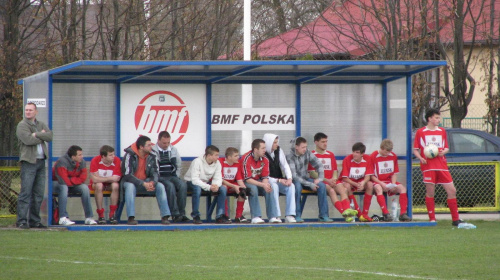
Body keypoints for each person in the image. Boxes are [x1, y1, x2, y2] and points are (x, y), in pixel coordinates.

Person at [413, 108, 464, 226]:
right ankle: (432, 219)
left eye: (439, 117)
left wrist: (443, 152)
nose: (438, 120)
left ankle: (455, 219)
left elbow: (446, 147)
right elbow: (415, 150)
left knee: (452, 191)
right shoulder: (421, 132)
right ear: (429, 119)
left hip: (442, 165)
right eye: (436, 118)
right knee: (430, 192)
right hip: (428, 166)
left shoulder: (442, 131)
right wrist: (421, 158)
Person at [16, 102, 53, 229]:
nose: (28, 112)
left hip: (41, 162)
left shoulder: (40, 124)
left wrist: (36, 134)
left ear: (36, 112)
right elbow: (27, 140)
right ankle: (21, 221)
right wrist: (41, 136)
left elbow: (50, 136)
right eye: (26, 110)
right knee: (26, 192)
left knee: (38, 193)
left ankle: (34, 221)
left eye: (31, 110)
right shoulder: (22, 125)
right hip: (29, 162)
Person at [121, 136, 171, 225]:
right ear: (141, 147)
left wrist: (152, 182)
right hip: (131, 182)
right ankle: (131, 217)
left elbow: (156, 172)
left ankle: (165, 216)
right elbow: (127, 175)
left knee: (160, 186)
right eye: (148, 145)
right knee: (130, 187)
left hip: (146, 182)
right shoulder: (129, 154)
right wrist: (142, 183)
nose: (151, 147)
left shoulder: (153, 154)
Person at [310, 133, 357, 222]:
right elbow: (312, 173)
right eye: (322, 142)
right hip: (321, 181)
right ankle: (345, 215)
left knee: (343, 190)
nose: (325, 144)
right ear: (316, 142)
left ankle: (348, 211)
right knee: (331, 191)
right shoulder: (312, 154)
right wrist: (327, 180)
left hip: (331, 180)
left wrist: (334, 179)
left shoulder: (330, 154)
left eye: (326, 141)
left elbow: (335, 170)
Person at [287, 136, 332, 223]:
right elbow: (294, 176)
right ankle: (297, 215)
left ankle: (323, 216)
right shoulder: (290, 157)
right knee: (297, 187)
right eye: (303, 147)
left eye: (306, 147)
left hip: (305, 178)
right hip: (294, 180)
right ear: (296, 147)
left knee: (322, 186)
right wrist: (310, 184)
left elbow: (319, 164)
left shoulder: (307, 153)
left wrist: (320, 178)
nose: (305, 149)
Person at [184, 145, 230, 224]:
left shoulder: (217, 163)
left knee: (223, 188)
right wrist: (209, 187)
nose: (218, 157)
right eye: (216, 155)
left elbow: (218, 177)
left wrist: (216, 185)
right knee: (197, 189)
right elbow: (195, 180)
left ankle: (220, 216)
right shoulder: (197, 162)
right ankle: (196, 215)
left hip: (206, 183)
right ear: (209, 155)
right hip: (191, 182)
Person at [53, 145, 97, 225]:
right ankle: (62, 217)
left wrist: (72, 180)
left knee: (85, 188)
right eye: (79, 155)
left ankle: (88, 217)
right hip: (57, 183)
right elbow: (63, 179)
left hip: (71, 184)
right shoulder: (62, 161)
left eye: (82, 154)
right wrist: (74, 180)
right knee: (64, 187)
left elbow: (83, 178)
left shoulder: (82, 162)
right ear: (73, 157)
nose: (82, 157)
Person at [152, 131, 189, 223]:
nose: (166, 145)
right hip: (160, 177)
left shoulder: (173, 149)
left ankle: (182, 213)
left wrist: (176, 175)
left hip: (172, 175)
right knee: (170, 186)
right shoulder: (152, 150)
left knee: (183, 185)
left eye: (168, 142)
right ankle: (175, 214)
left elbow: (178, 164)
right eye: (164, 143)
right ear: (158, 141)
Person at [370, 139, 411, 222]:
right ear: (381, 148)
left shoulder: (393, 156)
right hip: (377, 181)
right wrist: (381, 183)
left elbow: (394, 173)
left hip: (389, 181)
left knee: (402, 188)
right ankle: (386, 214)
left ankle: (403, 214)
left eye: (390, 151)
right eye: (386, 151)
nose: (388, 153)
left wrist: (392, 184)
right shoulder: (373, 156)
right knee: (378, 188)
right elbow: (371, 175)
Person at [240, 139, 280, 224]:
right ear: (255, 149)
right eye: (262, 148)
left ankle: (272, 216)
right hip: (247, 182)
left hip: (258, 181)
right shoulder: (246, 158)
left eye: (265, 148)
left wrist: (265, 185)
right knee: (253, 189)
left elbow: (265, 176)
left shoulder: (265, 159)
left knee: (270, 187)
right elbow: (247, 179)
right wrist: (262, 185)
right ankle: (256, 216)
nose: (265, 150)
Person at [338, 142, 377, 222]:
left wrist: (363, 183)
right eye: (353, 152)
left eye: (357, 152)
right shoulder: (347, 160)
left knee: (370, 184)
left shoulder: (367, 159)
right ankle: (359, 214)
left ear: (362, 154)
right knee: (347, 186)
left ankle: (365, 213)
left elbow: (368, 176)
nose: (354, 154)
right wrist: (357, 184)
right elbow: (345, 178)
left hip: (361, 182)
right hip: (350, 182)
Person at [263, 133, 296, 223]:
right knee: (274, 186)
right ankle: (276, 215)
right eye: (274, 142)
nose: (277, 144)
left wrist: (289, 178)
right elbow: (263, 176)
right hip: (268, 181)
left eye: (277, 142)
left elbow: (285, 165)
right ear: (269, 143)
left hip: (279, 180)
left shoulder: (279, 150)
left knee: (291, 186)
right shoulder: (262, 153)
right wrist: (279, 180)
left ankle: (290, 214)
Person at [89, 145, 121, 224]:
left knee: (115, 185)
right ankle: (101, 215)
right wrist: (110, 178)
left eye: (113, 154)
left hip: (110, 185)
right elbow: (94, 179)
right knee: (99, 185)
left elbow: (117, 178)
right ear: (103, 156)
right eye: (110, 155)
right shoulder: (95, 160)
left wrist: (101, 178)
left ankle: (112, 214)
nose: (113, 156)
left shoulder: (117, 160)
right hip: (96, 185)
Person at [219, 147, 248, 223]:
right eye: (235, 156)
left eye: (238, 155)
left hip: (232, 185)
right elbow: (221, 180)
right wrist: (234, 186)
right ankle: (225, 215)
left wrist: (243, 188)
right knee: (223, 188)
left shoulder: (238, 164)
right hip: (222, 184)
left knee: (242, 190)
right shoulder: (221, 162)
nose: (238, 157)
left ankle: (239, 216)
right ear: (229, 157)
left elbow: (239, 179)